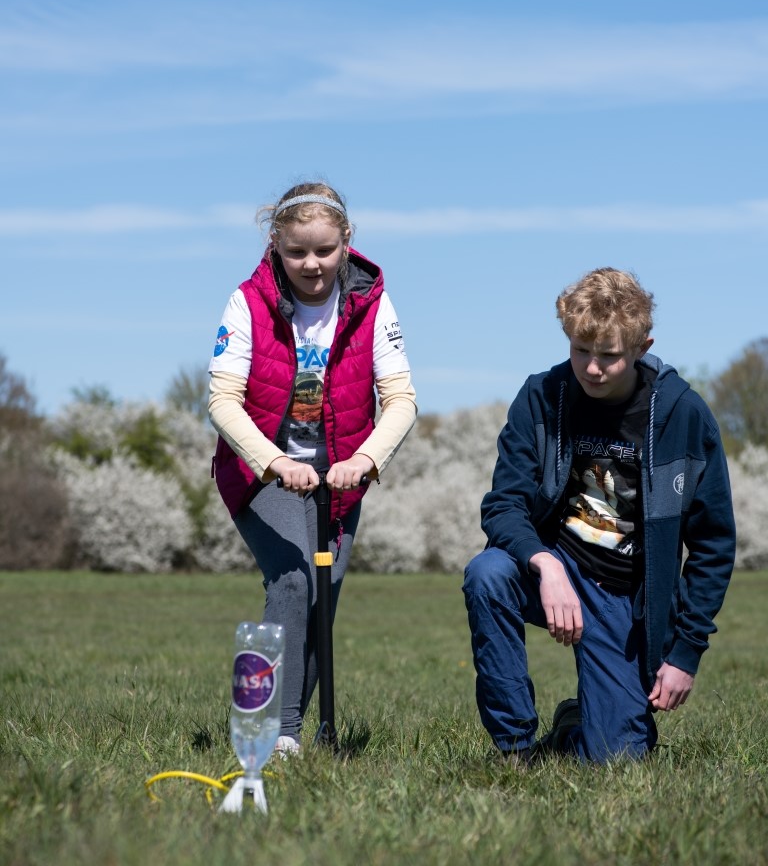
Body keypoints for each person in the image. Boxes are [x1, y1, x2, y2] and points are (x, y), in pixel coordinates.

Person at [463, 267, 736, 764]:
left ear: (640, 345)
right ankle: (517, 748)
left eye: (608, 355)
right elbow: (503, 504)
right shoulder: (542, 396)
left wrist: (685, 653)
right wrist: (544, 565)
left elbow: (713, 544)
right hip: (553, 568)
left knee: (616, 760)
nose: (591, 368)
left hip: (623, 602)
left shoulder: (682, 414)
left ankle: (576, 727)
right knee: (487, 573)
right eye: (580, 350)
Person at [209, 181, 417, 754]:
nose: (312, 264)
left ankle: (283, 731)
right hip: (263, 473)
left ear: (346, 242)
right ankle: (277, 736)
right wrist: (274, 462)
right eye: (297, 251)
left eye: (324, 250)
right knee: (294, 582)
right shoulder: (246, 302)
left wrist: (367, 460)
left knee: (324, 596)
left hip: (341, 477)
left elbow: (401, 400)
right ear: (275, 244)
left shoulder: (374, 303)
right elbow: (222, 401)